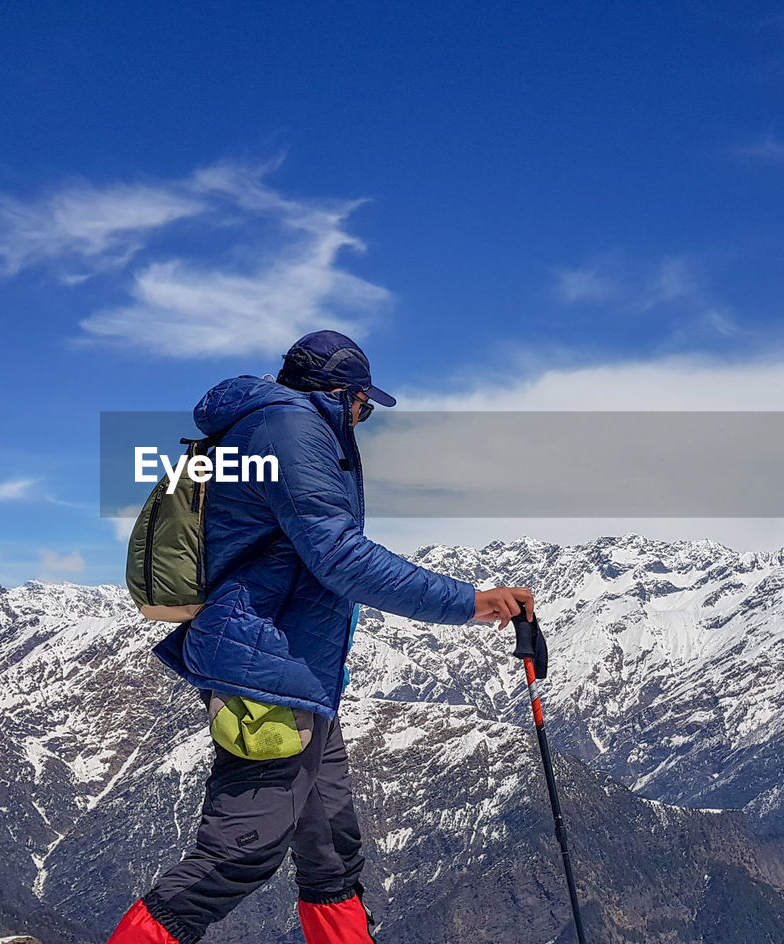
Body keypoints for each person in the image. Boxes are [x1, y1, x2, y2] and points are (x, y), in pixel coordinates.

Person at [106, 329, 534, 944]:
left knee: (330, 845)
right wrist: (470, 602)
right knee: (240, 852)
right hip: (266, 672)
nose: (363, 419)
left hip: (291, 668)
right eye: (364, 406)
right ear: (343, 395)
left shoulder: (262, 427)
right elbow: (339, 556)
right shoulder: (292, 431)